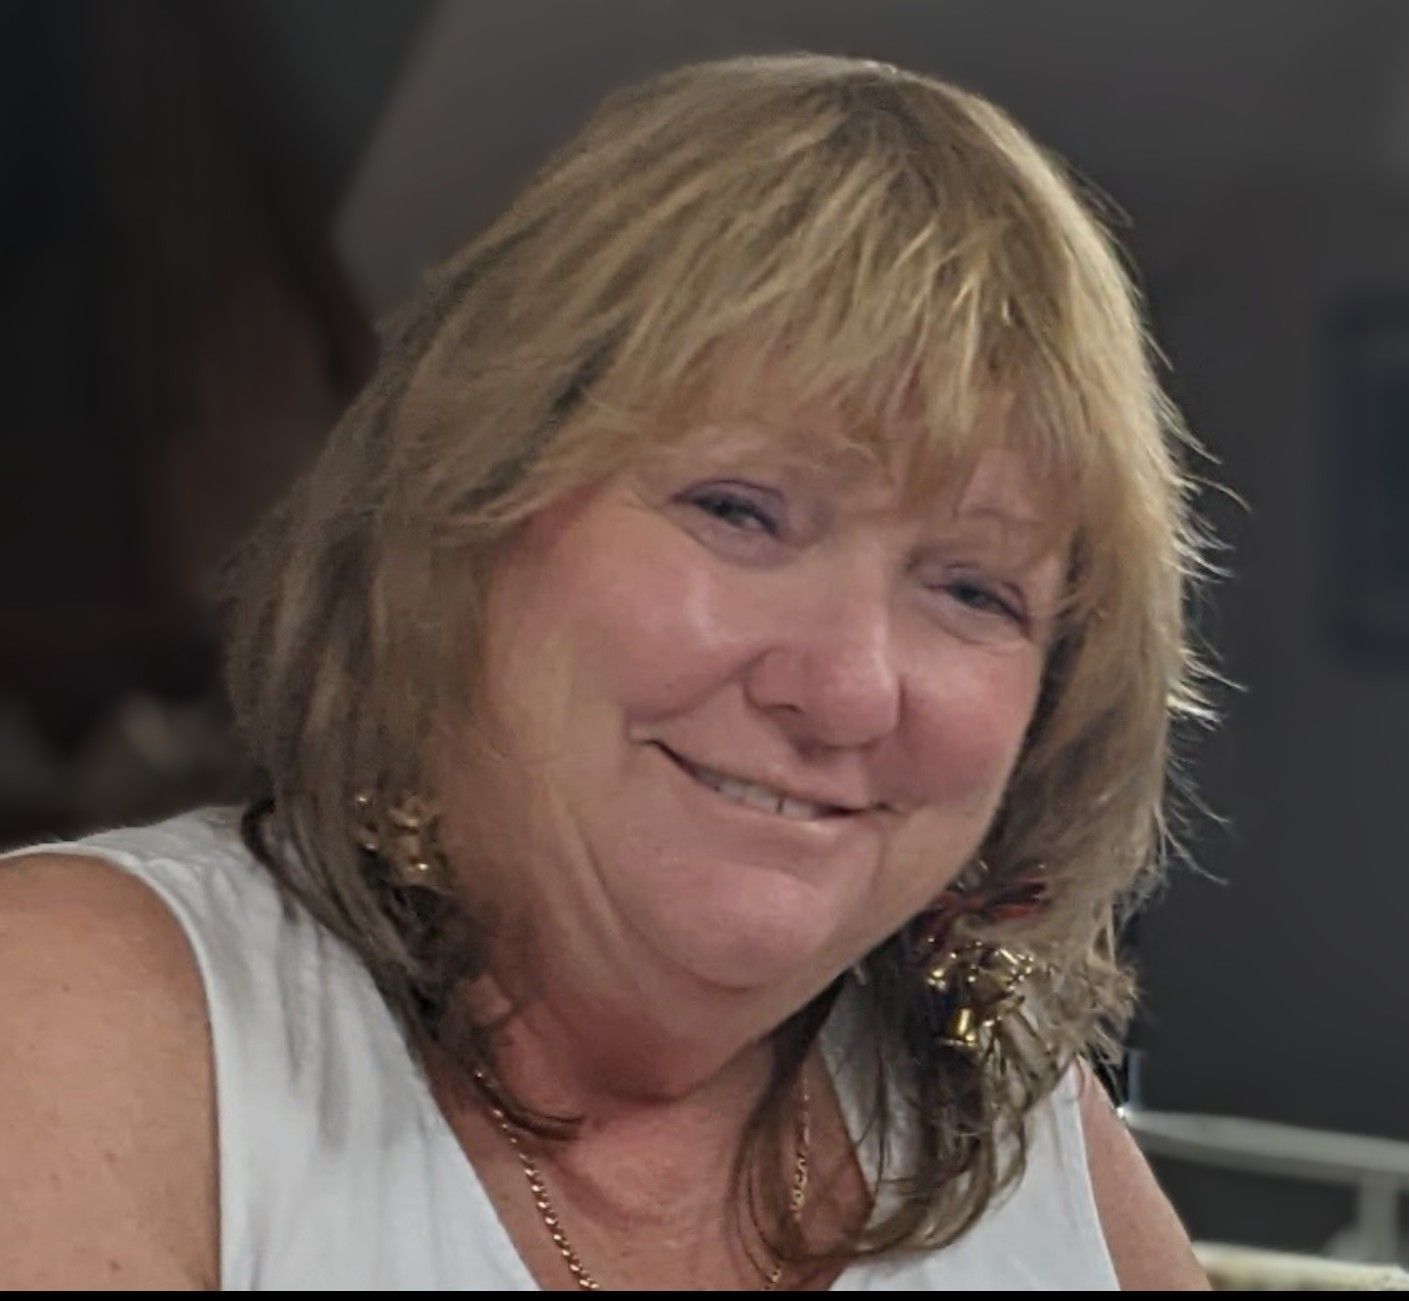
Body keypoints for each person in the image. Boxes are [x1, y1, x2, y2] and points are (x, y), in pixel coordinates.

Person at [0, 54, 1213, 1289]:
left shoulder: (1027, 1141)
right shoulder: (81, 1019)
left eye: (972, 589)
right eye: (741, 511)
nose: (847, 686)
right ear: (466, 515)